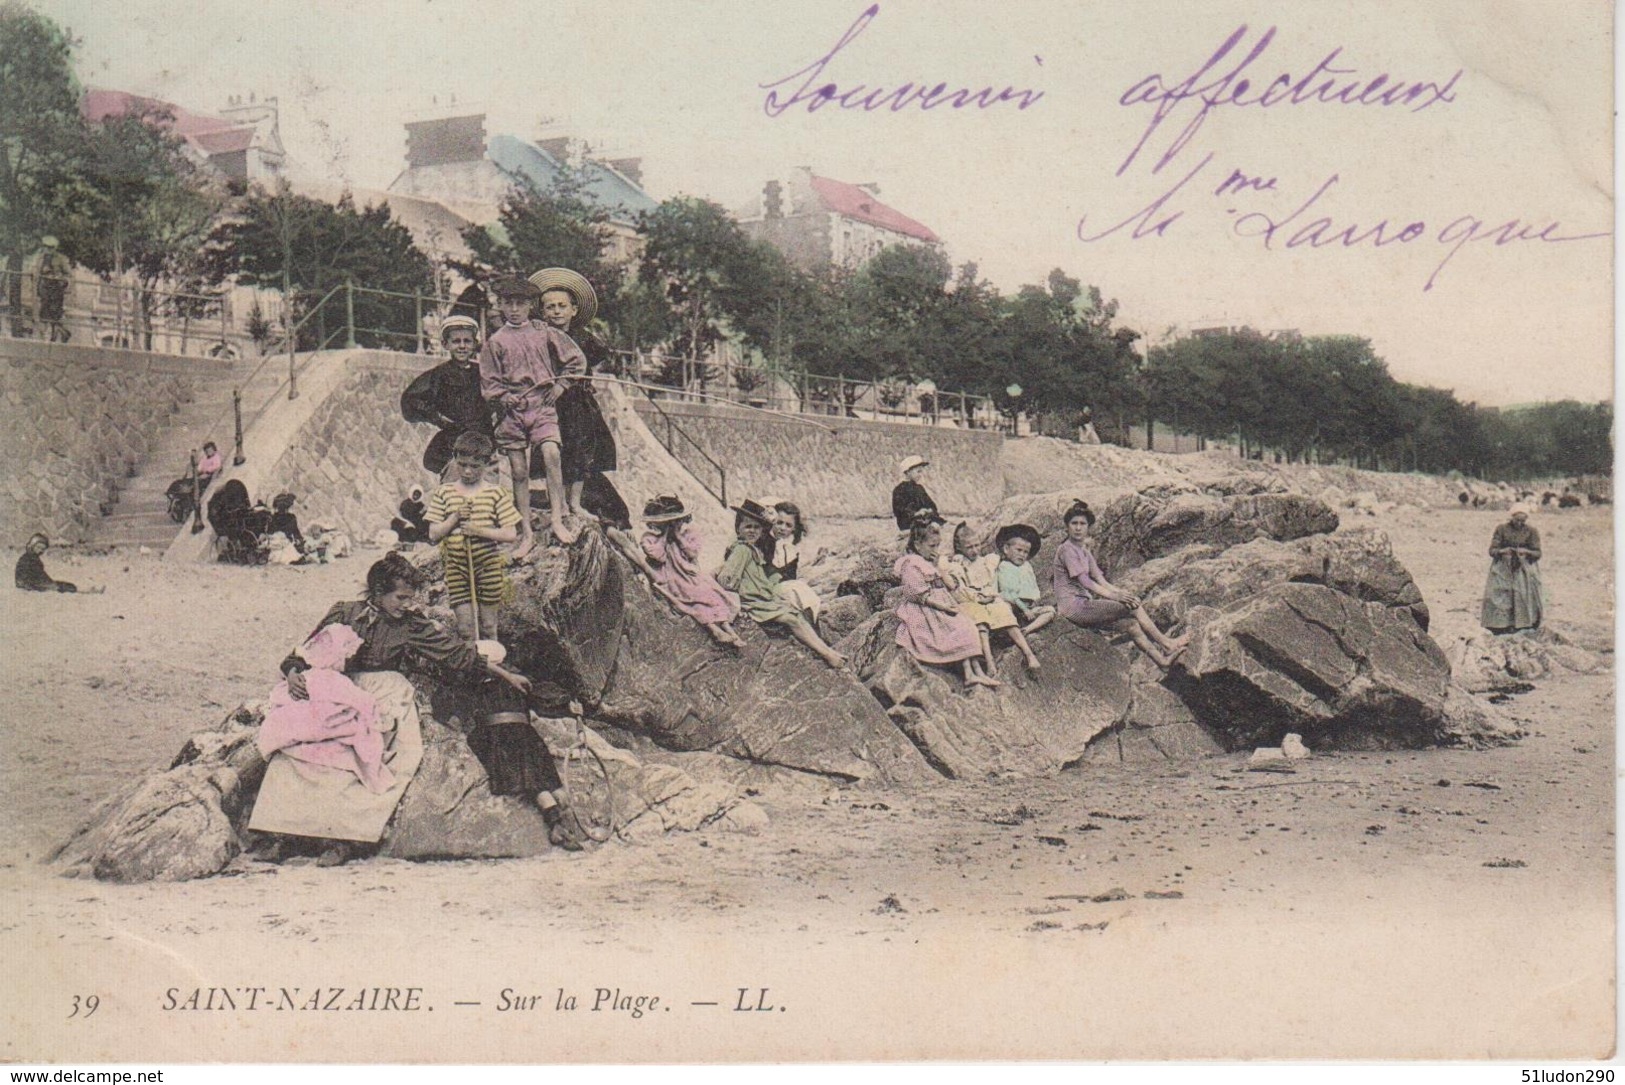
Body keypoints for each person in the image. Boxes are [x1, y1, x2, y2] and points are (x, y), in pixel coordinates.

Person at [247, 552, 532, 866]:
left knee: (359, 757)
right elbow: (303, 652)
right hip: (336, 689)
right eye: (400, 597)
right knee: (299, 746)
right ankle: (279, 836)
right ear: (378, 592)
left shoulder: (412, 626)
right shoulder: (344, 612)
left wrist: (507, 675)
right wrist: (293, 674)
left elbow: (459, 655)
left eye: (410, 598)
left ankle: (342, 841)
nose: (407, 605)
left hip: (384, 693)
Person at [479, 276, 586, 555]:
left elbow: (576, 359)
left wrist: (561, 385)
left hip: (542, 406)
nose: (514, 309)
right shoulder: (495, 341)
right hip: (512, 413)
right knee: (518, 471)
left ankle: (557, 520)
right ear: (500, 305)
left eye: (521, 303)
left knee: (552, 453)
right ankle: (525, 532)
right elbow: (489, 383)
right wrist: (504, 397)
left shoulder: (543, 331)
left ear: (530, 305)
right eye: (508, 303)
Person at [528, 267, 628, 529]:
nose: (556, 311)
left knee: (581, 452)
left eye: (562, 306)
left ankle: (575, 502)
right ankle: (557, 503)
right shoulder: (540, 338)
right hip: (551, 403)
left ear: (573, 310)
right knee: (554, 452)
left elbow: (597, 357)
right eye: (550, 307)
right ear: (542, 311)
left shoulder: (584, 338)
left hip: (579, 404)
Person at [1053, 501, 1188, 668]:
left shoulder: (1085, 552)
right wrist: (1116, 597)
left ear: (1089, 527)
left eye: (1083, 524)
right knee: (1133, 607)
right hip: (1073, 608)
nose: (1078, 528)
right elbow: (1085, 582)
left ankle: (1162, 661)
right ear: (1067, 526)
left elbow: (1102, 581)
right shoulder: (1066, 549)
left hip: (1083, 607)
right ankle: (1167, 644)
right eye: (1074, 523)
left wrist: (1123, 594)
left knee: (1131, 625)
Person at [718, 500, 846, 669]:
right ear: (738, 528)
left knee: (795, 614)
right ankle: (827, 654)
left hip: (761, 599)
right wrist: (738, 598)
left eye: (757, 528)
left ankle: (827, 651)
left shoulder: (752, 550)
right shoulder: (741, 549)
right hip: (753, 603)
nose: (753, 531)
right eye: (748, 527)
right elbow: (726, 578)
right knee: (791, 618)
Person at [426, 432, 521, 642]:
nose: (467, 471)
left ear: (487, 464)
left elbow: (510, 533)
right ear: (454, 459)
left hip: (487, 566)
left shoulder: (496, 493)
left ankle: (493, 669)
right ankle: (473, 671)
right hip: (457, 568)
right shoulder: (444, 492)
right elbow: (433, 534)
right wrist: (455, 519)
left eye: (475, 466)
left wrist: (478, 531)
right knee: (466, 629)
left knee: (488, 627)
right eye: (462, 464)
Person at [895, 511, 999, 689]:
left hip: (942, 605)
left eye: (937, 546)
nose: (935, 550)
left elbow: (948, 585)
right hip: (927, 610)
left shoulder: (929, 561)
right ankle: (969, 673)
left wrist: (939, 569)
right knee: (958, 628)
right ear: (918, 544)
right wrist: (943, 606)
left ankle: (977, 672)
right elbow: (917, 594)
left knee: (967, 625)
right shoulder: (910, 563)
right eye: (932, 546)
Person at [637, 494, 744, 648]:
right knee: (693, 601)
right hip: (671, 578)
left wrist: (678, 537)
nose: (677, 525)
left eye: (678, 521)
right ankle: (715, 630)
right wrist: (666, 534)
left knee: (711, 595)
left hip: (690, 575)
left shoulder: (688, 535)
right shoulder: (650, 538)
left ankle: (729, 630)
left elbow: (692, 553)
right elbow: (658, 557)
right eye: (670, 523)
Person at [400, 315, 496, 478]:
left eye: (467, 341)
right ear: (446, 344)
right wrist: (437, 417)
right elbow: (411, 400)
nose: (462, 346)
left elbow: (498, 396)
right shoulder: (439, 374)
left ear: (474, 344)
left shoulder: (483, 372)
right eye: (456, 341)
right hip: (454, 441)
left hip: (483, 440)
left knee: (487, 486)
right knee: (454, 485)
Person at [941, 520, 1040, 672]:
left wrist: (990, 596)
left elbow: (1009, 555)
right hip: (972, 601)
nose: (975, 550)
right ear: (960, 547)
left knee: (1003, 610)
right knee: (979, 619)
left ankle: (1029, 654)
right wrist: (979, 598)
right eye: (969, 547)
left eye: (977, 545)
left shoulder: (988, 561)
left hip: (990, 598)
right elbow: (959, 589)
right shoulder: (958, 566)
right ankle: (989, 661)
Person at [1481, 504, 1544, 634]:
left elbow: (1537, 553)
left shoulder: (1531, 531)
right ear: (1512, 517)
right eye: (1517, 520)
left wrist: (1526, 552)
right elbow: (1492, 550)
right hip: (1503, 568)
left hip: (1523, 569)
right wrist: (1504, 551)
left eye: (1523, 521)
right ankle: (1498, 625)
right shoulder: (1501, 529)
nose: (1520, 523)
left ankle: (1522, 624)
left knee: (1522, 595)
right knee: (1499, 595)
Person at [762, 501, 822, 624]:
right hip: (767, 589)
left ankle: (812, 626)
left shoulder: (791, 549)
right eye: (779, 523)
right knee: (797, 589)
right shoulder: (765, 542)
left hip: (784, 590)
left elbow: (791, 576)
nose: (783, 528)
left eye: (788, 525)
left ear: (794, 528)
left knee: (804, 592)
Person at [993, 523, 1056, 635]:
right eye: (1019, 550)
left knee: (1050, 611)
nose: (1022, 555)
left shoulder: (1026, 566)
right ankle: (1010, 631)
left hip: (1028, 607)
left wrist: (1033, 603)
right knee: (1005, 609)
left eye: (1026, 552)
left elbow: (1032, 587)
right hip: (1014, 605)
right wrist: (1024, 609)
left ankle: (1026, 630)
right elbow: (1009, 592)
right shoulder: (1004, 566)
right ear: (1007, 549)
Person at [15, 533, 101, 593]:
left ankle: (87, 589)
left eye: (42, 548)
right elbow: (40, 575)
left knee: (62, 585)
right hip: (32, 585)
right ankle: (88, 590)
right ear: (32, 546)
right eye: (38, 547)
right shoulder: (31, 559)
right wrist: (51, 584)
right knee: (65, 586)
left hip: (27, 584)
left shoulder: (27, 557)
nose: (40, 550)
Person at [34, 236, 71, 343]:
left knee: (55, 314)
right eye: (45, 247)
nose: (47, 250)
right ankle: (47, 336)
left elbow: (68, 274)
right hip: (45, 289)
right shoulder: (41, 258)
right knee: (44, 313)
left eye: (50, 247)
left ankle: (55, 337)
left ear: (54, 248)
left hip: (56, 290)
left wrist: (60, 279)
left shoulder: (60, 259)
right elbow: (36, 272)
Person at [891, 455, 938, 530]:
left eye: (921, 472)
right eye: (918, 471)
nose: (920, 475)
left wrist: (929, 510)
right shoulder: (899, 490)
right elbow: (899, 511)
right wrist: (916, 513)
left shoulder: (919, 488)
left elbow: (931, 505)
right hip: (908, 526)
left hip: (924, 524)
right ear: (908, 472)